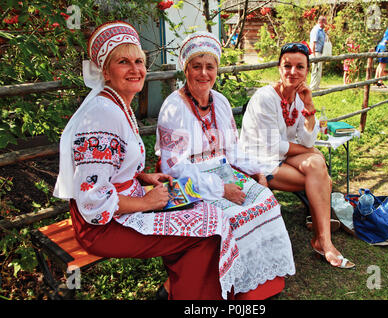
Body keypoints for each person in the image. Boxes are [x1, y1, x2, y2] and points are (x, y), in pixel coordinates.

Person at [53, 21, 230, 300]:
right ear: (106, 71)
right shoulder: (103, 115)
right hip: (101, 226)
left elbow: (112, 168)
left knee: (205, 213)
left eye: (139, 61)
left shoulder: (117, 103)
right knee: (208, 234)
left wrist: (143, 178)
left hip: (121, 206)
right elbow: (92, 199)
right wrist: (146, 202)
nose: (135, 69)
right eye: (124, 62)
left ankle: (176, 292)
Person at [155, 31, 296, 299]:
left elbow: (233, 149)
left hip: (222, 172)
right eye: (197, 66)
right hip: (186, 184)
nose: (204, 74)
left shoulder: (219, 101)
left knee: (265, 200)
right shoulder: (173, 107)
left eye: (210, 67)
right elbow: (174, 168)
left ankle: (261, 284)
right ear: (186, 69)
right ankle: (225, 289)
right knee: (229, 218)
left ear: (217, 69)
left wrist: (256, 170)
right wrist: (221, 189)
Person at [239, 42, 355, 269]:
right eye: (287, 66)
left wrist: (309, 104)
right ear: (279, 69)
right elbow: (272, 146)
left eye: (299, 67)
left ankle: (323, 239)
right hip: (258, 160)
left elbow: (309, 140)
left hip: (283, 154)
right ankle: (322, 241)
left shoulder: (301, 97)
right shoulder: (265, 97)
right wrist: (311, 151)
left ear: (307, 71)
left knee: (316, 166)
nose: (293, 72)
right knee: (320, 177)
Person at [309, 15, 327, 91]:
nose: (326, 24)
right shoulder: (316, 30)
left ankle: (317, 86)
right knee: (315, 69)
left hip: (320, 52)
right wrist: (313, 54)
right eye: (325, 22)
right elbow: (313, 42)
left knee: (319, 70)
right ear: (321, 22)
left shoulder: (322, 31)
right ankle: (312, 86)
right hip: (316, 52)